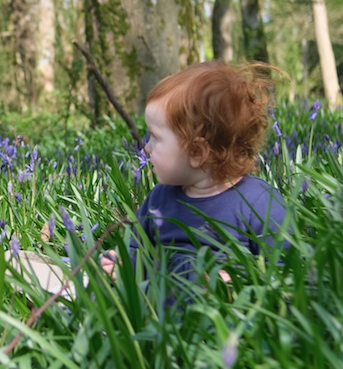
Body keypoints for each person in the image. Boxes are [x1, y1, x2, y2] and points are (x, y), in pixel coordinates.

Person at [102, 61, 287, 286]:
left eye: (155, 138)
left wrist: (237, 282)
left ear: (197, 152)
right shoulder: (159, 199)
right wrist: (122, 264)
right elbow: (138, 251)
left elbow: (286, 271)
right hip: (159, 305)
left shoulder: (260, 204)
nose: (146, 148)